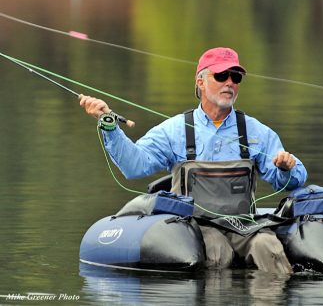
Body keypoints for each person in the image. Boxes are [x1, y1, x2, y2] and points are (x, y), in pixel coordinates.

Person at [80, 47, 308, 274]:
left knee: (268, 247)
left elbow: (290, 182)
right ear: (200, 82)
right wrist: (109, 126)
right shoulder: (173, 130)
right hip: (192, 227)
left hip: (244, 225)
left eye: (235, 77)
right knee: (218, 251)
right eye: (221, 75)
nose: (229, 82)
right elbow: (134, 166)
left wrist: (286, 168)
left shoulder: (257, 131)